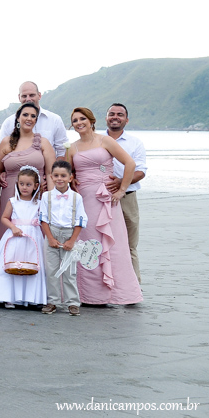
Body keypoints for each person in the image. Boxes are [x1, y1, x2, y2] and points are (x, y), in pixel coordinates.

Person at [65, 107, 142, 305]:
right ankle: (91, 296)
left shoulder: (104, 140)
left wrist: (122, 189)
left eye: (82, 118)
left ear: (91, 121)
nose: (79, 122)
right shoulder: (72, 148)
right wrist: (72, 179)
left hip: (106, 201)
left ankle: (121, 294)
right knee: (88, 245)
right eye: (75, 120)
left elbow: (130, 163)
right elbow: (66, 172)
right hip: (84, 202)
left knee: (114, 247)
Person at [0, 166, 48, 308]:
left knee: (31, 265)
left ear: (36, 186)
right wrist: (13, 228)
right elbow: (4, 217)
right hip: (14, 237)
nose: (24, 187)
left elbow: (44, 221)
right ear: (17, 184)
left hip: (32, 237)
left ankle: (29, 297)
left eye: (28, 184)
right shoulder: (13, 201)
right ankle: (9, 296)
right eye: (21, 184)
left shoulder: (40, 203)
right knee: (12, 263)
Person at [0, 102, 56, 244]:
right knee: (9, 233)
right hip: (10, 195)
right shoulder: (6, 142)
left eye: (33, 116)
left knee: (36, 233)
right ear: (18, 118)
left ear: (36, 120)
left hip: (36, 196)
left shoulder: (43, 143)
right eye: (25, 115)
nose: (29, 118)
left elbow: (50, 174)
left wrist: (50, 200)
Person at [104, 103, 148, 281]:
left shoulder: (135, 143)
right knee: (103, 243)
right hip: (102, 199)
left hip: (128, 198)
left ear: (126, 120)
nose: (115, 117)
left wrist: (122, 183)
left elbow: (141, 171)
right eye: (112, 114)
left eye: (120, 115)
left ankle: (134, 285)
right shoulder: (96, 140)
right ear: (106, 117)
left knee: (130, 244)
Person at [39, 160, 88, 316]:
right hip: (52, 233)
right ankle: (53, 301)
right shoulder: (46, 196)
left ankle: (72, 302)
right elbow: (43, 219)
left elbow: (81, 220)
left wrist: (72, 240)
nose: (59, 178)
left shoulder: (76, 197)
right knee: (51, 270)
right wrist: (51, 238)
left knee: (69, 271)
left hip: (69, 233)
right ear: (51, 177)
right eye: (56, 175)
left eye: (63, 175)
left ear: (70, 177)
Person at [0, 81, 68, 157]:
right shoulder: (8, 123)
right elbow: (2, 153)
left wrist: (55, 168)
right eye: (24, 96)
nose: (28, 99)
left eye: (32, 95)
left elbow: (62, 151)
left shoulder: (55, 120)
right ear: (19, 98)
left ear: (39, 95)